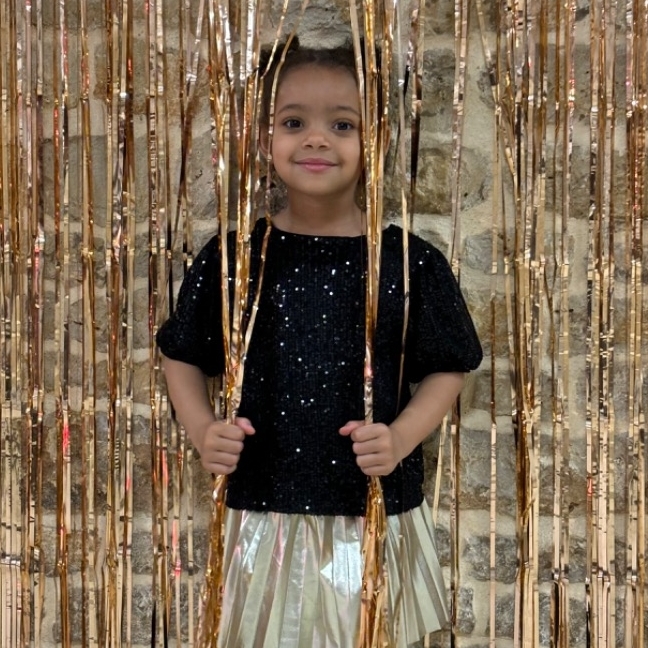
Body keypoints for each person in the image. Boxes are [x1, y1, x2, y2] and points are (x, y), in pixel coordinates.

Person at [157, 39, 482, 648]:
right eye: (293, 122)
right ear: (263, 139)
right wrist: (202, 430)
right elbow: (182, 353)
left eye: (342, 124)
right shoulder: (233, 259)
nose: (315, 139)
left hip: (370, 509)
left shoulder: (409, 262)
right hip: (263, 510)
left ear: (377, 140)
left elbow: (448, 366)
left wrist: (401, 437)